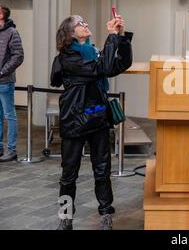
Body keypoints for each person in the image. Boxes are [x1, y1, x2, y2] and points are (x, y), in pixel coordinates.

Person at [50, 14, 133, 230]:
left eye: (85, 22)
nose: (85, 25)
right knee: (69, 174)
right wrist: (112, 36)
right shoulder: (67, 58)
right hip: (75, 119)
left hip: (97, 117)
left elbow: (120, 64)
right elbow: (102, 68)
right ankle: (65, 218)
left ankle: (106, 215)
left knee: (102, 170)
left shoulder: (94, 52)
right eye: (80, 24)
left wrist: (122, 37)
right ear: (69, 33)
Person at [0, 5, 24, 162]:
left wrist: (2, 71)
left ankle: (11, 150)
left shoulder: (12, 32)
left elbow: (18, 56)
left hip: (4, 81)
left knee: (9, 115)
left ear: (1, 15)